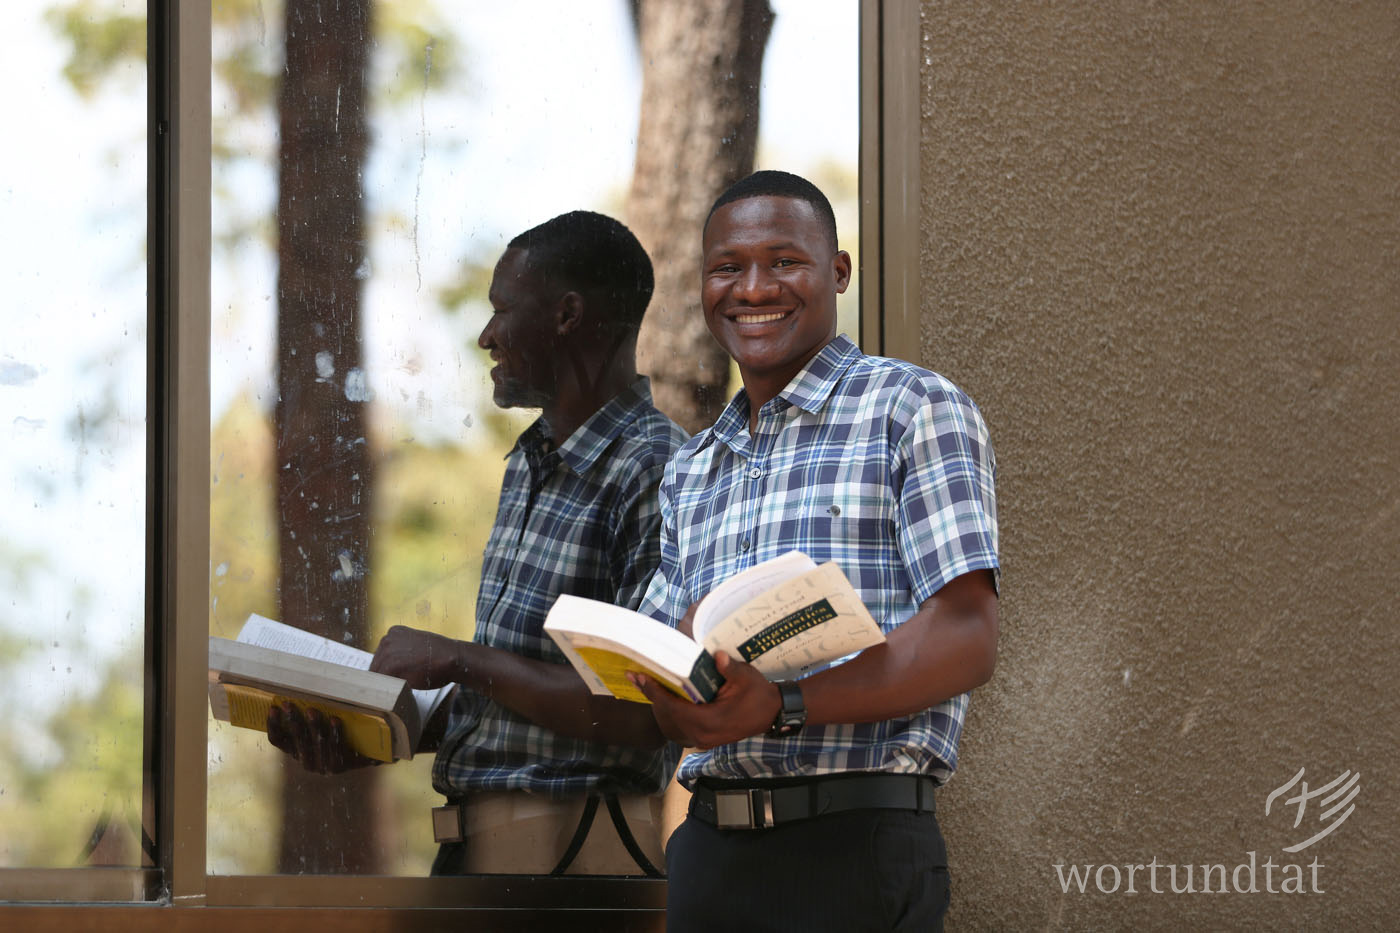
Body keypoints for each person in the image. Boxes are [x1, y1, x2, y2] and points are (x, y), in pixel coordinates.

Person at [631, 171, 1000, 930]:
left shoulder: (912, 409)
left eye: (783, 261)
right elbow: (668, 681)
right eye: (727, 267)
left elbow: (967, 637)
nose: (753, 287)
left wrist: (783, 705)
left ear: (838, 272)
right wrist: (678, 698)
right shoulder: (692, 468)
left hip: (853, 848)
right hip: (709, 853)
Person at [270, 210, 687, 876]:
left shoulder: (660, 470)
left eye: (502, 310)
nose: (487, 335)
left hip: (574, 858)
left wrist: (459, 658)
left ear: (567, 315)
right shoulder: (529, 462)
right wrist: (374, 731)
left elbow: (645, 711)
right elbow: (514, 699)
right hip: (478, 855)